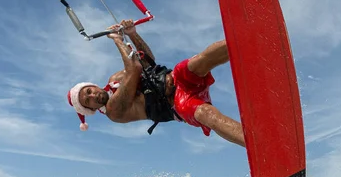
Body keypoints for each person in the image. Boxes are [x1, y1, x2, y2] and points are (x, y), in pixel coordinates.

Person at [66, 19, 245, 148]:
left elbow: (147, 61)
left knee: (198, 61)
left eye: (89, 91)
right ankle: (257, 143)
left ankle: (247, 38)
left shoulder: (115, 79)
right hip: (178, 105)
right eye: (87, 100)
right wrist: (117, 39)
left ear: (93, 86)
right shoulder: (114, 111)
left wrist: (133, 34)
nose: (92, 96)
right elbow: (134, 68)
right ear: (91, 109)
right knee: (207, 114)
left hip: (177, 78)